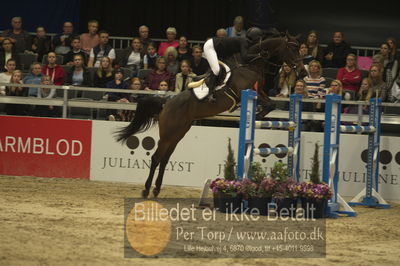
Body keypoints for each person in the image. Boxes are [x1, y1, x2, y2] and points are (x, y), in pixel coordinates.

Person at [203, 27, 264, 96]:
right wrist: (258, 55)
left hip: (218, 50)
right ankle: (210, 93)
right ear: (254, 37)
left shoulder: (245, 41)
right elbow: (245, 57)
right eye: (258, 39)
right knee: (217, 70)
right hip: (210, 47)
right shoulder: (244, 41)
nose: (259, 41)